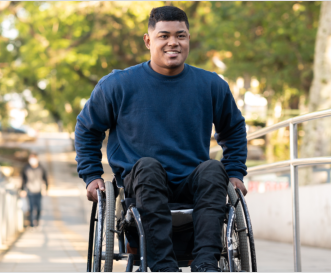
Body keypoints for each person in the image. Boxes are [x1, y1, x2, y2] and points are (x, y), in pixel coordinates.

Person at [74, 6, 248, 272]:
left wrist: (235, 171)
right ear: (148, 40)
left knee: (214, 169)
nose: (173, 42)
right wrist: (91, 174)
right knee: (148, 166)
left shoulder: (211, 85)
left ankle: (205, 263)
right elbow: (87, 128)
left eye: (181, 36)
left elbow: (233, 128)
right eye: (164, 35)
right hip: (142, 182)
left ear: (188, 39)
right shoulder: (118, 84)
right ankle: (164, 267)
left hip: (193, 183)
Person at [20, 152, 48, 227]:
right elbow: (23, 179)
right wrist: (22, 189)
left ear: (37, 159)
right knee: (31, 208)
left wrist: (46, 188)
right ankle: (31, 224)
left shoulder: (41, 168)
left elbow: (45, 178)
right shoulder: (26, 168)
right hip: (30, 190)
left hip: (38, 190)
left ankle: (37, 222)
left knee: (39, 208)